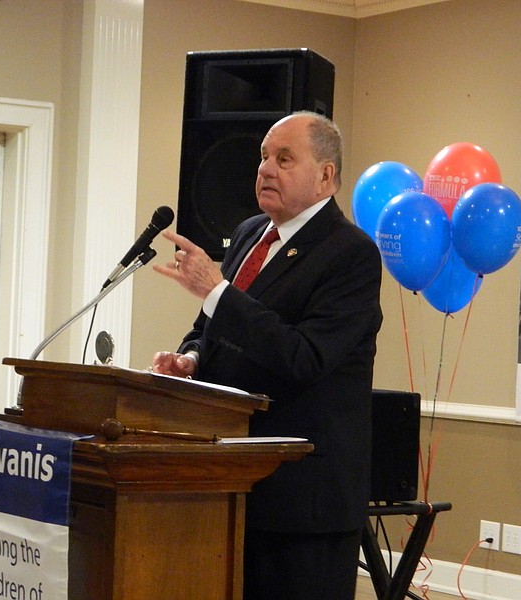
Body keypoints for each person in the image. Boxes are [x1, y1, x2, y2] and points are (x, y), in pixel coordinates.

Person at [152, 111, 383, 600]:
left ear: (327, 176)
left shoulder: (351, 254)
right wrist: (191, 360)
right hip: (233, 481)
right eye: (263, 157)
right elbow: (210, 329)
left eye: (284, 159)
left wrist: (215, 291)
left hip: (302, 499)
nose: (265, 170)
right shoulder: (249, 233)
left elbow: (306, 356)